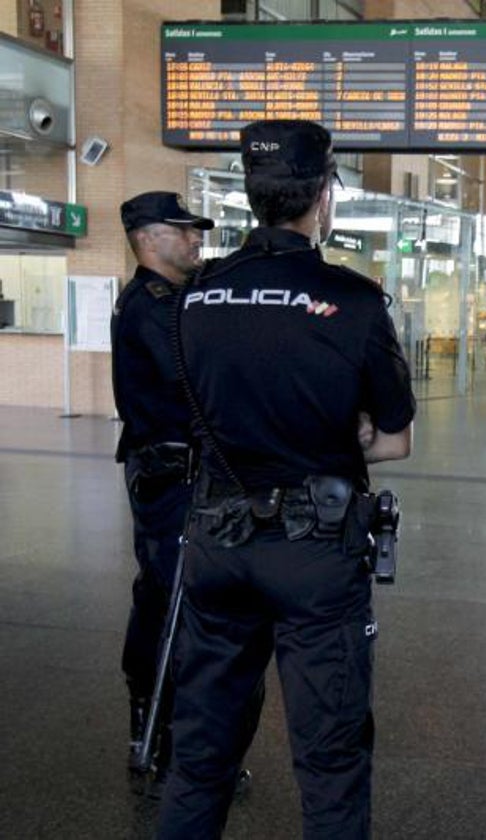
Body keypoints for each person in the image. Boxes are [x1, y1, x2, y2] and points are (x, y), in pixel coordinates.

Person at [157, 120, 417, 840]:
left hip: (216, 543)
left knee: (200, 757)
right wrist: (344, 429)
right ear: (323, 196)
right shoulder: (354, 300)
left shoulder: (195, 294)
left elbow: (194, 407)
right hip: (316, 552)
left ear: (251, 194)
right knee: (329, 763)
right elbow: (393, 438)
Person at [112, 192, 212, 787]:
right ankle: (155, 725)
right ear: (150, 239)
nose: (196, 239)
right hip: (165, 471)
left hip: (177, 468)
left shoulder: (172, 301)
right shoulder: (151, 306)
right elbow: (192, 381)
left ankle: (165, 722)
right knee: (166, 598)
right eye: (184, 231)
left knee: (171, 594)